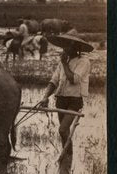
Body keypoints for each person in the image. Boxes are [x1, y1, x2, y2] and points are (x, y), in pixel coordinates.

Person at [35, 30, 93, 161]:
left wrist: (65, 64)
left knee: (62, 129)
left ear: (76, 47)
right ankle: (67, 158)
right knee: (64, 132)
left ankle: (68, 155)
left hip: (74, 100)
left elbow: (74, 79)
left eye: (68, 45)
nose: (65, 48)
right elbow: (54, 81)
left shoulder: (83, 61)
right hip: (61, 99)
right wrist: (45, 97)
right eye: (64, 45)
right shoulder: (62, 62)